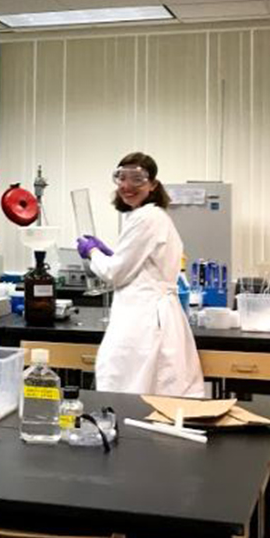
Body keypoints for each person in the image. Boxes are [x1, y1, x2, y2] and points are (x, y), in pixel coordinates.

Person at [78, 152, 205, 397]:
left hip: (143, 318)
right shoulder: (151, 217)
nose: (127, 186)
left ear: (153, 185)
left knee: (131, 389)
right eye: (121, 177)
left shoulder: (147, 217)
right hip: (152, 313)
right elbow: (140, 266)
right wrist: (112, 253)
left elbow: (114, 273)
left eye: (137, 179)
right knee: (149, 389)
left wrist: (92, 252)